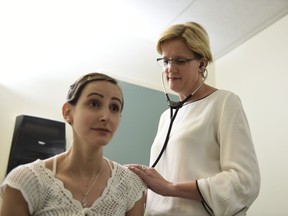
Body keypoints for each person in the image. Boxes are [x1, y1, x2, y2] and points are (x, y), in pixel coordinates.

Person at [128, 22, 260, 215]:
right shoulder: (167, 116)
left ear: (202, 63)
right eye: (165, 61)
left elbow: (244, 181)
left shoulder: (224, 102)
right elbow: (162, 188)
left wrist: (170, 188)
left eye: (179, 61)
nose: (170, 68)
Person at [0, 72, 146, 216]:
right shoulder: (26, 181)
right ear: (68, 112)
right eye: (94, 103)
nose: (106, 116)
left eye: (114, 108)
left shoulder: (130, 185)